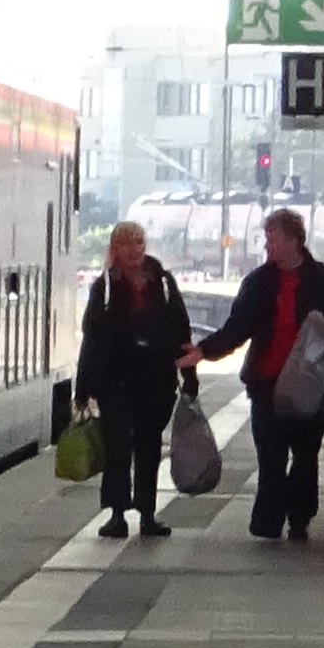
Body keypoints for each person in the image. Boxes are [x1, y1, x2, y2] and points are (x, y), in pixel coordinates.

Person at [199, 206, 324, 541]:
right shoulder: (259, 282)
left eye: (272, 239)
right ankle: (269, 522)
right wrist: (204, 350)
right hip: (266, 381)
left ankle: (299, 517)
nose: (267, 246)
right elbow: (239, 326)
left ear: (293, 241)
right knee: (271, 457)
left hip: (311, 382)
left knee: (305, 455)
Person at [73, 221, 195, 538]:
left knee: (149, 447)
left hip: (156, 379)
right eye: (126, 243)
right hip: (115, 380)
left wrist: (189, 375)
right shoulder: (105, 287)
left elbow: (181, 330)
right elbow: (92, 338)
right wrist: (83, 387)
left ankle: (147, 513)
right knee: (117, 448)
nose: (134, 249)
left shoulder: (163, 282)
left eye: (139, 242)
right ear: (114, 249)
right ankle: (117, 514)